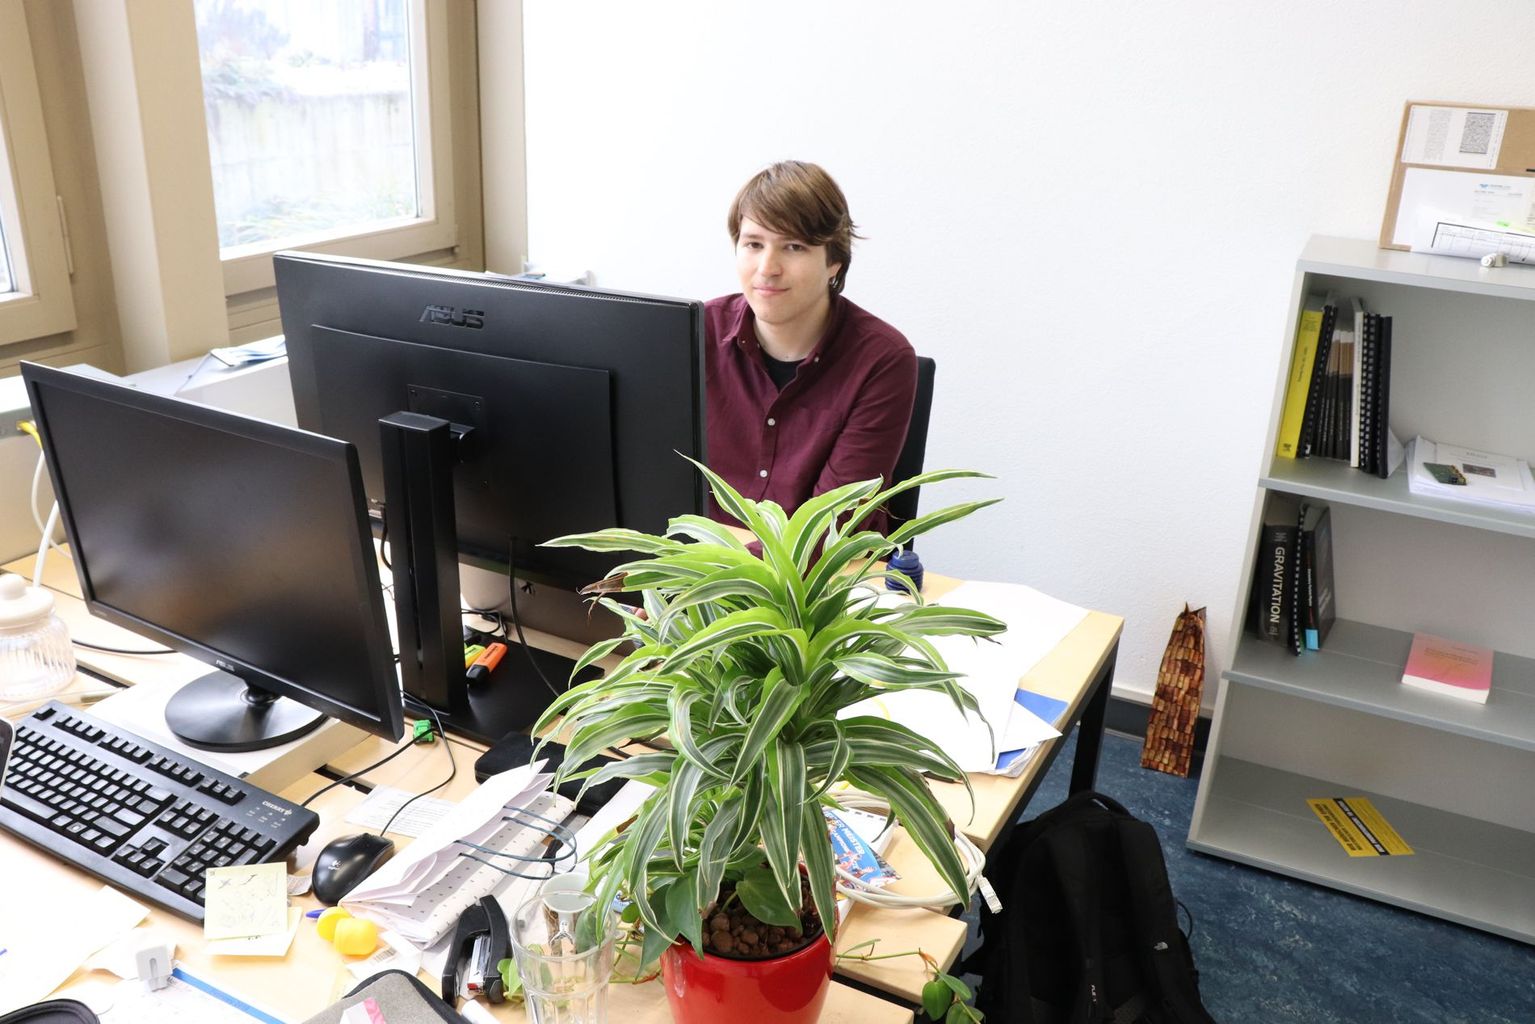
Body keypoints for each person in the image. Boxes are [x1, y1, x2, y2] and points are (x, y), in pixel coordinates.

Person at [704, 160, 918, 535]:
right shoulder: (699, 332)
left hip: (821, 568)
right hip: (696, 559)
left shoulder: (882, 360)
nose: (767, 268)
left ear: (834, 262)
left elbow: (829, 528)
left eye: (794, 247)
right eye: (753, 244)